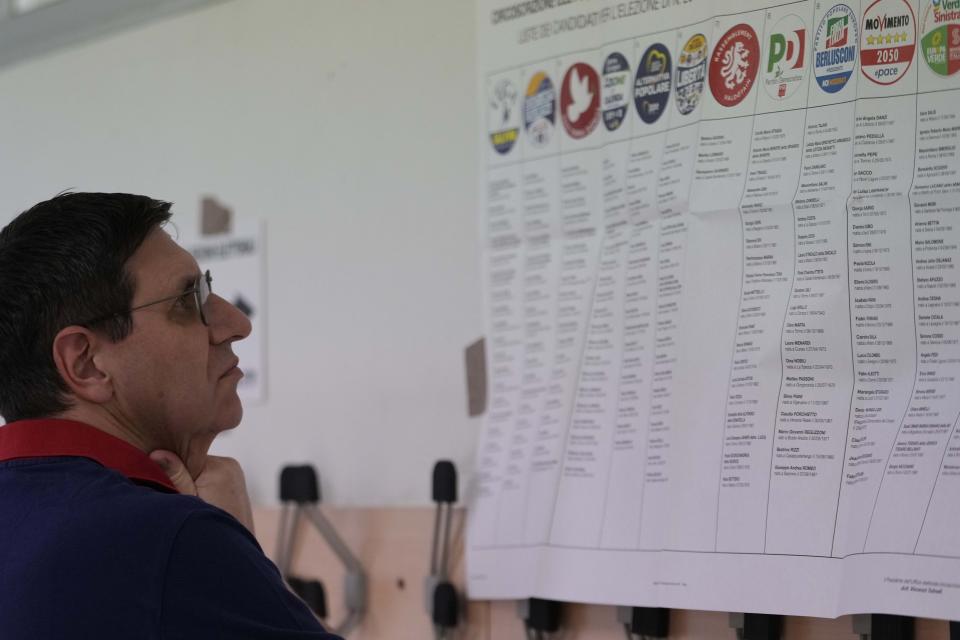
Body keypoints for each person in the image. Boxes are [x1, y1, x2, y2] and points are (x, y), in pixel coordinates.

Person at [0, 193, 341, 639]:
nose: (236, 323)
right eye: (187, 301)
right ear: (86, 362)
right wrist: (234, 542)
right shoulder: (168, 539)